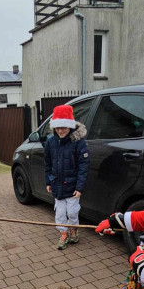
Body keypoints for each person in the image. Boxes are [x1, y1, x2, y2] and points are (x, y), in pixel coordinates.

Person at [44, 104, 89, 250]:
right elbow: (47, 163)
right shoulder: (50, 142)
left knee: (72, 212)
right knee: (60, 213)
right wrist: (48, 181)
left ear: (70, 126)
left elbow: (83, 166)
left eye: (64, 127)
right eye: (58, 127)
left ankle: (73, 229)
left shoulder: (78, 143)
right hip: (57, 185)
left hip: (72, 186)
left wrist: (80, 187)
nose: (61, 130)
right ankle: (63, 234)